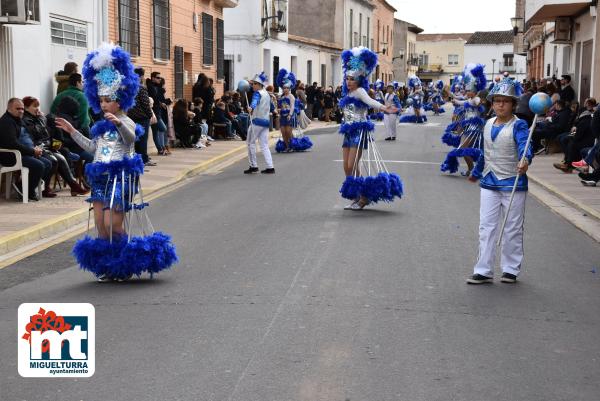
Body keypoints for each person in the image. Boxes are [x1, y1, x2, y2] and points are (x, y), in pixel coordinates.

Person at [56, 43, 177, 282]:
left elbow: (131, 140)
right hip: (100, 176)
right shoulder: (99, 126)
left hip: (121, 176)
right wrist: (72, 131)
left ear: (119, 101)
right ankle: (108, 266)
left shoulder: (127, 121)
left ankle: (123, 264)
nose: (103, 105)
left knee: (114, 223)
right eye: (100, 100)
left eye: (108, 100)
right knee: (101, 225)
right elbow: (93, 148)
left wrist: (119, 123)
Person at [467, 77, 533, 284]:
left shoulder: (519, 125)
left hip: (513, 182)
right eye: (497, 101)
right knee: (486, 227)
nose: (501, 105)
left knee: (512, 227)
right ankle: (483, 270)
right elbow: (485, 153)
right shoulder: (487, 124)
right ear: (492, 103)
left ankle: (511, 268)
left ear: (513, 104)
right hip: (489, 182)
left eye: (505, 101)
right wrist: (476, 172)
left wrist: (525, 159)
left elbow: (525, 145)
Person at [338, 47, 400, 210]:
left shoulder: (359, 91)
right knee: (347, 167)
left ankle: (363, 197)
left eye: (352, 79)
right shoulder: (348, 94)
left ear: (358, 80)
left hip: (359, 131)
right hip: (349, 131)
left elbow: (370, 102)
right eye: (347, 78)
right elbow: (348, 114)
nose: (348, 81)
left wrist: (384, 108)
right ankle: (357, 195)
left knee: (352, 165)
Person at [21, 96, 89, 196]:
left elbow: (46, 134)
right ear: (26, 108)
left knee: (61, 156)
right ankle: (47, 187)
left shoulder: (38, 118)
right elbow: (35, 135)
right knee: (55, 159)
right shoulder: (26, 120)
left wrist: (41, 119)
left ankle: (72, 184)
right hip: (36, 148)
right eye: (34, 106)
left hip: (47, 146)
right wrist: (41, 120)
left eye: (38, 106)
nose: (37, 109)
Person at [0, 98, 48, 201]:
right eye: (18, 108)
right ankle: (27, 191)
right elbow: (12, 144)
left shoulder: (17, 120)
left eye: (22, 109)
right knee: (39, 165)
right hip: (10, 156)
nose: (21, 111)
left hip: (19, 154)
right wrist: (32, 151)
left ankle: (23, 186)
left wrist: (35, 149)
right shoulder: (7, 122)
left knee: (47, 163)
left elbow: (27, 138)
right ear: (9, 108)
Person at [553, 98, 597, 172]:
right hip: (579, 133)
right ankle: (567, 161)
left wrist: (573, 135)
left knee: (571, 142)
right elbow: (577, 123)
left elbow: (581, 131)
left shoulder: (589, 116)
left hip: (587, 139)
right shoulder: (583, 112)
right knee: (565, 139)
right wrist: (574, 128)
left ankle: (569, 165)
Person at [244, 72, 275, 174]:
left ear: (259, 85)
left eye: (254, 84)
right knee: (264, 145)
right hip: (266, 122)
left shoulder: (257, 93)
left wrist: (251, 107)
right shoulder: (267, 94)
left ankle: (253, 166)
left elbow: (255, 101)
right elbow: (272, 107)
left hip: (256, 122)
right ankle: (270, 167)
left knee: (250, 143)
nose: (252, 86)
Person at [128, 67, 154, 166]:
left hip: (131, 117)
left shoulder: (129, 87)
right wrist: (150, 115)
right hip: (142, 117)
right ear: (141, 76)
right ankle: (144, 159)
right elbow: (145, 104)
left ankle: (137, 158)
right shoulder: (141, 88)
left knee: (135, 140)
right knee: (143, 139)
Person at [275, 69, 297, 151]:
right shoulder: (281, 97)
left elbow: (292, 106)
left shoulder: (291, 96)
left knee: (288, 131)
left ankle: (292, 145)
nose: (285, 89)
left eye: (287, 88)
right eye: (284, 88)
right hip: (282, 116)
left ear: (289, 88)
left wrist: (290, 115)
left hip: (289, 116)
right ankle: (287, 146)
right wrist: (278, 111)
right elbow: (279, 106)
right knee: (283, 132)